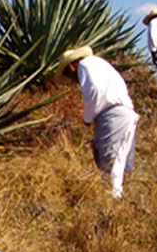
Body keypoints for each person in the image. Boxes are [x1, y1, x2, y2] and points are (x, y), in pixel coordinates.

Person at [57, 46, 139, 199]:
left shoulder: (85, 65)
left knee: (110, 162)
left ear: (71, 66)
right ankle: (125, 201)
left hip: (113, 116)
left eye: (69, 76)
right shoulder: (100, 65)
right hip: (124, 114)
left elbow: (93, 92)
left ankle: (112, 204)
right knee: (121, 164)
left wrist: (87, 118)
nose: (73, 81)